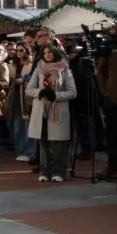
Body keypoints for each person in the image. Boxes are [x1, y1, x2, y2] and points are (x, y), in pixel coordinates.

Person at [25, 42, 75, 180]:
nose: (47, 55)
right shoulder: (38, 69)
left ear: (55, 53)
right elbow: (29, 90)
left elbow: (72, 92)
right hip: (41, 110)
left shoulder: (65, 70)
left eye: (50, 52)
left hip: (57, 110)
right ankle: (44, 171)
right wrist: (40, 92)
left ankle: (59, 172)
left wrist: (56, 96)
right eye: (45, 53)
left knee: (58, 143)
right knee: (43, 142)